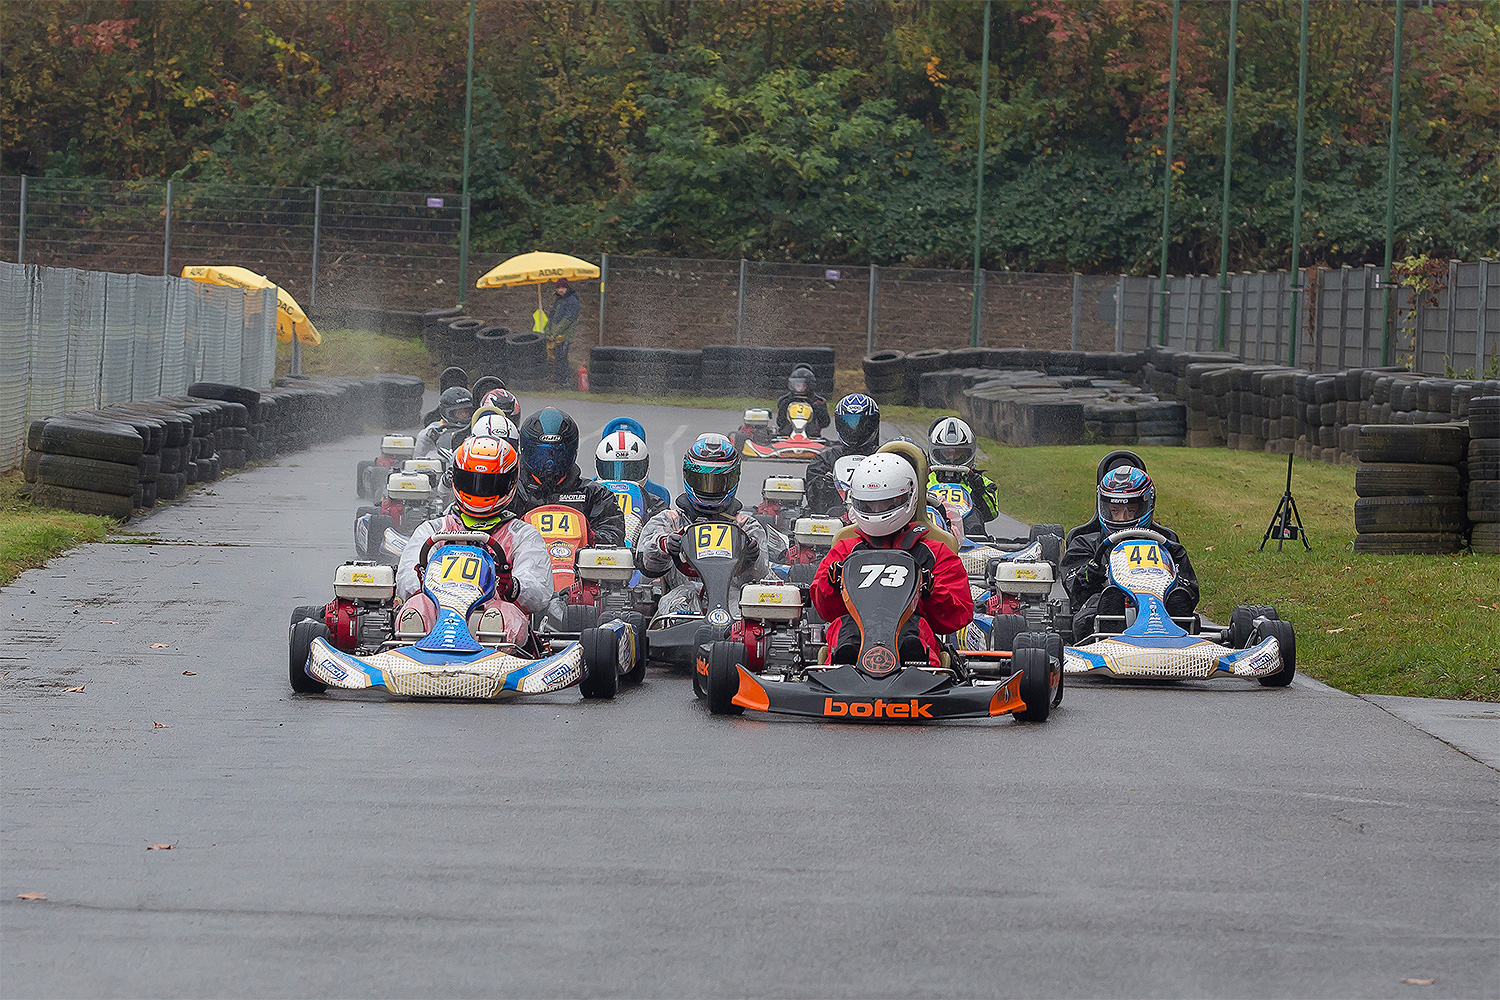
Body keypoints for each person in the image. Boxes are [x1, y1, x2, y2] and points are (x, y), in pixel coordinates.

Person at [810, 453, 973, 667]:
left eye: (886, 504)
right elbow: (825, 611)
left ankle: (918, 670)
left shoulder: (934, 551)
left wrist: (931, 591)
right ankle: (842, 668)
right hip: (854, 637)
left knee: (914, 633)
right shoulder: (846, 549)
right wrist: (831, 584)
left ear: (907, 498)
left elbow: (959, 615)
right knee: (843, 628)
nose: (876, 512)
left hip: (913, 645)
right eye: (869, 505)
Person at [394, 435, 553, 642]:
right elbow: (406, 580)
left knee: (502, 617)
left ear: (509, 483)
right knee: (415, 609)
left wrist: (512, 586)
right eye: (471, 482)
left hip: (492, 612)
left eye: (489, 484)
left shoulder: (522, 534)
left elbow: (538, 587)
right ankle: (413, 660)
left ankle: (489, 666)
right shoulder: (434, 530)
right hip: (439, 610)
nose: (479, 490)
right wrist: (422, 578)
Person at [1059, 465, 1199, 639]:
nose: (1121, 518)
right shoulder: (1086, 543)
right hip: (1102, 605)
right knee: (1096, 606)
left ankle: (1177, 630)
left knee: (1178, 600)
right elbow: (1074, 591)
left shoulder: (1166, 544)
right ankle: (1109, 627)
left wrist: (1179, 588)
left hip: (1158, 602)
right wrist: (1091, 573)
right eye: (1114, 511)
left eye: (1130, 511)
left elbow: (1191, 588)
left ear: (1146, 505)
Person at [637, 434, 768, 617]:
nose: (710, 489)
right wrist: (664, 545)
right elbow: (645, 562)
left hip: (732, 598)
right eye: (702, 481)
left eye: (718, 482)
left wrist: (751, 559)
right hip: (681, 595)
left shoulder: (746, 526)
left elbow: (760, 577)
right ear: (688, 477)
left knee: (746, 613)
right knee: (677, 606)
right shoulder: (670, 520)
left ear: (733, 479)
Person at [507, 406, 627, 546]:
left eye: (558, 455)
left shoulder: (593, 495)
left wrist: (589, 536)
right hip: (521, 564)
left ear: (572, 452)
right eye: (542, 455)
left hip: (576, 565)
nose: (549, 464)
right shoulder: (511, 491)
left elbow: (614, 536)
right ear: (525, 451)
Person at [805, 393, 881, 515]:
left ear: (872, 424)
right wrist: (824, 485)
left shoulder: (884, 457)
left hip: (876, 513)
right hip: (832, 518)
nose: (854, 430)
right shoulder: (825, 460)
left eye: (860, 424)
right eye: (849, 423)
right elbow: (815, 502)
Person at [926, 416, 1000, 537]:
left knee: (974, 522)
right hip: (931, 527)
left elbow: (991, 514)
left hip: (969, 533)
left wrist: (979, 490)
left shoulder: (982, 482)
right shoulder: (924, 478)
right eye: (946, 452)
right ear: (936, 451)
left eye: (957, 453)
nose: (951, 458)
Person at [595, 429, 669, 519]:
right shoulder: (590, 499)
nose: (621, 480)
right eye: (612, 470)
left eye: (630, 472)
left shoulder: (655, 505)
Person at [414, 387, 473, 458]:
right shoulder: (431, 431)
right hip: (443, 465)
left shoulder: (476, 427)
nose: (464, 415)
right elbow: (418, 459)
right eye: (459, 413)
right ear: (447, 412)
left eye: (467, 412)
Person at [774, 365, 830, 437]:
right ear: (792, 385)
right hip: (788, 433)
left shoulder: (818, 402)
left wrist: (816, 409)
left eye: (803, 385)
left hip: (811, 435)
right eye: (798, 385)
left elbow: (825, 423)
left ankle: (810, 434)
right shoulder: (785, 400)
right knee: (785, 430)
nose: (800, 388)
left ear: (809, 386)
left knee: (813, 430)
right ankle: (788, 434)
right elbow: (780, 422)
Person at [544, 278, 581, 386]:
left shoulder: (572, 301)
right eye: (559, 288)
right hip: (556, 335)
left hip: (565, 336)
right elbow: (551, 318)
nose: (560, 290)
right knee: (557, 357)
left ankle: (564, 381)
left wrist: (554, 334)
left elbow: (567, 320)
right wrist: (548, 330)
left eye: (563, 288)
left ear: (567, 288)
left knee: (562, 358)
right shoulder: (559, 300)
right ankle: (558, 379)